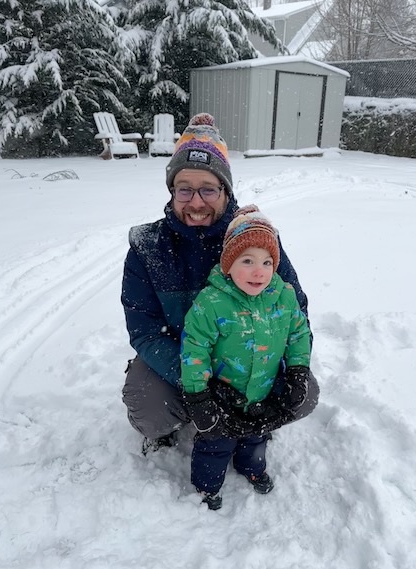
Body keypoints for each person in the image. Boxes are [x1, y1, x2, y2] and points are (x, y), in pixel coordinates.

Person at [121, 112, 319, 456]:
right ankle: (180, 417)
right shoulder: (148, 247)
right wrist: (201, 386)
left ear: (226, 190)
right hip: (184, 359)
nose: (196, 202)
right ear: (172, 192)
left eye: (208, 189)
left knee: (305, 396)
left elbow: (295, 312)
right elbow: (145, 332)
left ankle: (253, 417)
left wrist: (289, 372)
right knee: (149, 406)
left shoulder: (255, 239)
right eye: (185, 189)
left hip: (249, 355)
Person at [181, 209, 318, 510]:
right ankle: (207, 486)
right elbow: (194, 349)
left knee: (257, 436)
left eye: (267, 262)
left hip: (263, 392)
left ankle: (251, 467)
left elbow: (298, 334)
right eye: (247, 261)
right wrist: (198, 396)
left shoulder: (284, 296)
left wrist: (297, 371)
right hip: (223, 395)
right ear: (228, 264)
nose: (259, 272)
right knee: (216, 442)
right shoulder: (211, 302)